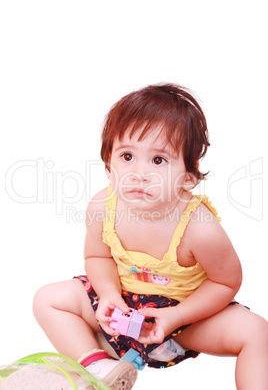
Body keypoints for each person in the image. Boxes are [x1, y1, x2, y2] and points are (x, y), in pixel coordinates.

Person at [33, 83, 268, 390]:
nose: (139, 173)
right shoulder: (104, 206)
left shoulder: (199, 227)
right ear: (108, 165)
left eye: (158, 160)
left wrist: (177, 315)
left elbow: (225, 281)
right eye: (127, 156)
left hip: (186, 319)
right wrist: (108, 295)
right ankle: (100, 368)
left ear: (188, 176)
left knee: (256, 332)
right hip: (124, 309)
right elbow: (98, 256)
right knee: (48, 299)